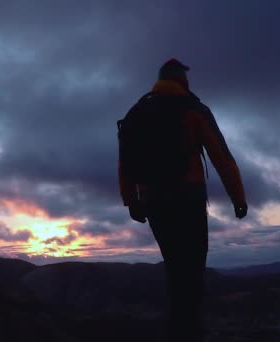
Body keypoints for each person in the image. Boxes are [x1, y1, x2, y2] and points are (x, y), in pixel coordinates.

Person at [118, 59, 247, 341]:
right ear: (183, 81)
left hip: (153, 200)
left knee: (175, 266)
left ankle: (178, 328)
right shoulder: (194, 109)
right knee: (193, 268)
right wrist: (238, 197)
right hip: (188, 197)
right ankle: (191, 329)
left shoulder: (137, 112)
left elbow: (126, 161)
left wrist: (131, 200)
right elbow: (222, 158)